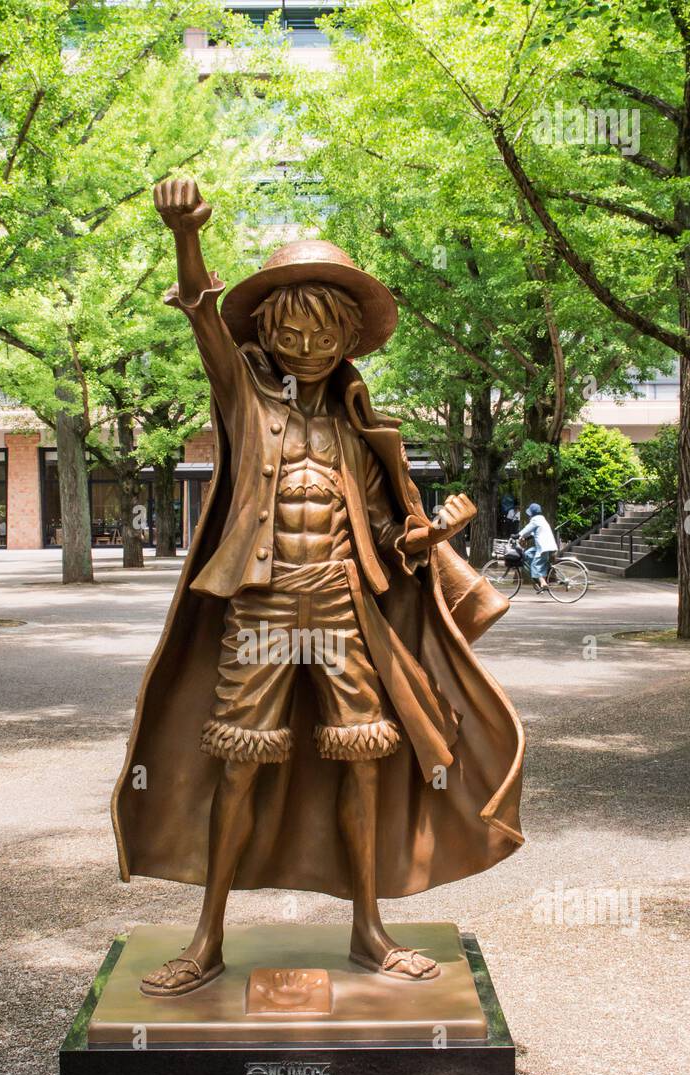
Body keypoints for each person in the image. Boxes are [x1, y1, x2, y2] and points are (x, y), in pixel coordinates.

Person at [112, 176, 524, 996]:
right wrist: (185, 236)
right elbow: (199, 307)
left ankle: (370, 931)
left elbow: (382, 539)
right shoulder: (242, 396)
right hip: (262, 603)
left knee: (364, 761)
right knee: (239, 763)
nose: (307, 348)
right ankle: (208, 937)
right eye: (293, 332)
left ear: (345, 340)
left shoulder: (358, 427)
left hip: (340, 603)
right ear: (269, 330)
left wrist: (425, 535)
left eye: (323, 335)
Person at [518, 502, 557, 590]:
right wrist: (526, 538)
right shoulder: (541, 519)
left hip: (544, 547)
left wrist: (517, 535)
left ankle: (543, 583)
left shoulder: (536, 520)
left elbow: (526, 530)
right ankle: (539, 579)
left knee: (535, 565)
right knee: (527, 554)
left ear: (531, 513)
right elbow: (532, 533)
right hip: (543, 546)